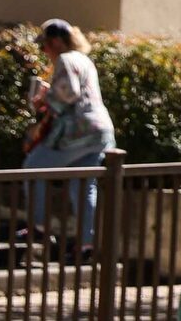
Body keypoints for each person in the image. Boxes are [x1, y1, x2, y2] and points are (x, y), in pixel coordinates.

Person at [22, 20, 114, 250]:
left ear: (55, 43)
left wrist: (45, 98)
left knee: (32, 170)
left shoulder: (65, 59)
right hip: (100, 131)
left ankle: (40, 227)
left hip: (77, 131)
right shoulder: (85, 60)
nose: (44, 52)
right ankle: (87, 244)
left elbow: (68, 93)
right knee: (83, 185)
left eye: (44, 47)